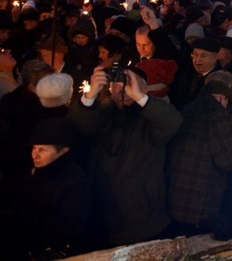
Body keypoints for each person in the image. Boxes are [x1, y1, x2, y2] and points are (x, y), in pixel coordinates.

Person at [67, 65, 182, 246]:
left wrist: (138, 96)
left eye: (130, 84)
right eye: (118, 85)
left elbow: (172, 122)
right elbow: (77, 128)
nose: (124, 89)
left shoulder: (151, 120)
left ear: (144, 89)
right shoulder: (102, 114)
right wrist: (90, 95)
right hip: (103, 218)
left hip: (143, 220)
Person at [0, 118, 92, 259]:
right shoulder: (29, 169)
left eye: (42, 150)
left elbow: (70, 227)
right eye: (34, 148)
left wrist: (22, 214)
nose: (34, 155)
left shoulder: (74, 182)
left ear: (62, 152)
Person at [167, 81, 232, 237]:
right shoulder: (216, 113)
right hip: (199, 199)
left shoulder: (189, 108)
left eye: (225, 100)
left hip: (175, 196)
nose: (221, 103)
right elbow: (228, 161)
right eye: (219, 98)